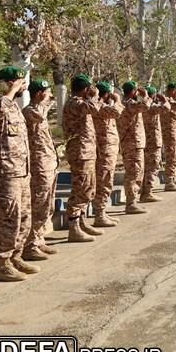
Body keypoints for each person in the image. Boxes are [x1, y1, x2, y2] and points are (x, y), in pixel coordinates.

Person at [0, 66, 34, 281]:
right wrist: (13, 89)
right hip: (5, 172)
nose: (25, 85)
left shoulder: (15, 108)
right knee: (8, 217)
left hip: (21, 171)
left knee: (24, 215)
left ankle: (15, 256)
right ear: (10, 82)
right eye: (21, 81)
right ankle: (2, 264)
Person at [64, 73, 106, 240]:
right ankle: (73, 227)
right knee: (81, 189)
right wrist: (94, 96)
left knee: (88, 188)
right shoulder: (75, 103)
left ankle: (81, 222)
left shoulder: (80, 102)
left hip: (86, 151)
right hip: (80, 152)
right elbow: (95, 109)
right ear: (85, 89)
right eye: (89, 87)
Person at [21, 79, 59, 260]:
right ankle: (30, 245)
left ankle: (39, 238)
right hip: (39, 164)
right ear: (38, 93)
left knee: (47, 204)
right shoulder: (30, 111)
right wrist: (46, 103)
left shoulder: (38, 108)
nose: (50, 95)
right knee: (39, 203)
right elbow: (41, 116)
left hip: (48, 162)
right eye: (47, 92)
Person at [92, 81, 124, 227]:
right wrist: (117, 100)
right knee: (103, 180)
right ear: (106, 94)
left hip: (108, 151)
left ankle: (102, 212)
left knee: (106, 180)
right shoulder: (100, 107)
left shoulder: (104, 107)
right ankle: (99, 214)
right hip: (103, 150)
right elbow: (117, 112)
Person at [117, 81, 151, 214]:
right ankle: (130, 203)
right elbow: (145, 106)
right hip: (132, 143)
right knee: (133, 173)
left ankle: (133, 201)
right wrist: (146, 95)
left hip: (133, 143)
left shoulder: (127, 103)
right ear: (133, 92)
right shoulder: (128, 103)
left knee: (136, 172)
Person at [141, 85, 169, 203]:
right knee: (153, 166)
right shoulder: (152, 107)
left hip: (146, 140)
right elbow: (167, 108)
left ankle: (145, 191)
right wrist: (164, 99)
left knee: (147, 166)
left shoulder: (142, 106)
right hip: (153, 140)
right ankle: (148, 192)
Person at [161, 82, 176, 191]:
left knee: (175, 156)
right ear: (172, 90)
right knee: (171, 157)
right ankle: (169, 181)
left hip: (175, 131)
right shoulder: (167, 100)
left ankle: (173, 178)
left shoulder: (172, 100)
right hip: (170, 132)